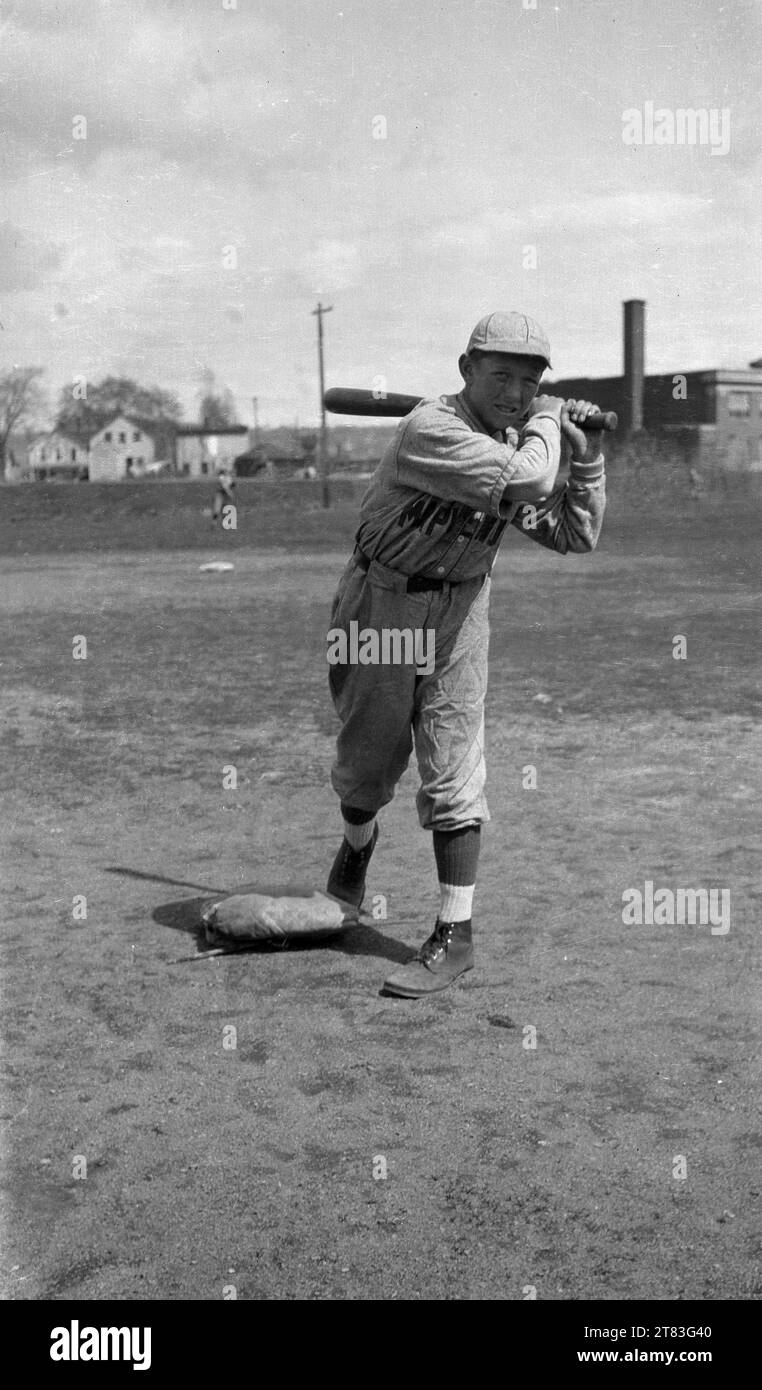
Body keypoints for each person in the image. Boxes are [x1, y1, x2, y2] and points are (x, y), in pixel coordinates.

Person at [324, 311, 607, 998]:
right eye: (501, 376)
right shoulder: (432, 430)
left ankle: (455, 934)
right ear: (466, 370)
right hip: (380, 603)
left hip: (461, 609)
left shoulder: (516, 443)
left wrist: (589, 453)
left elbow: (575, 532)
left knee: (454, 768)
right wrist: (544, 420)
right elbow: (532, 481)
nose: (515, 393)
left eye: (530, 382)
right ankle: (358, 845)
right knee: (366, 766)